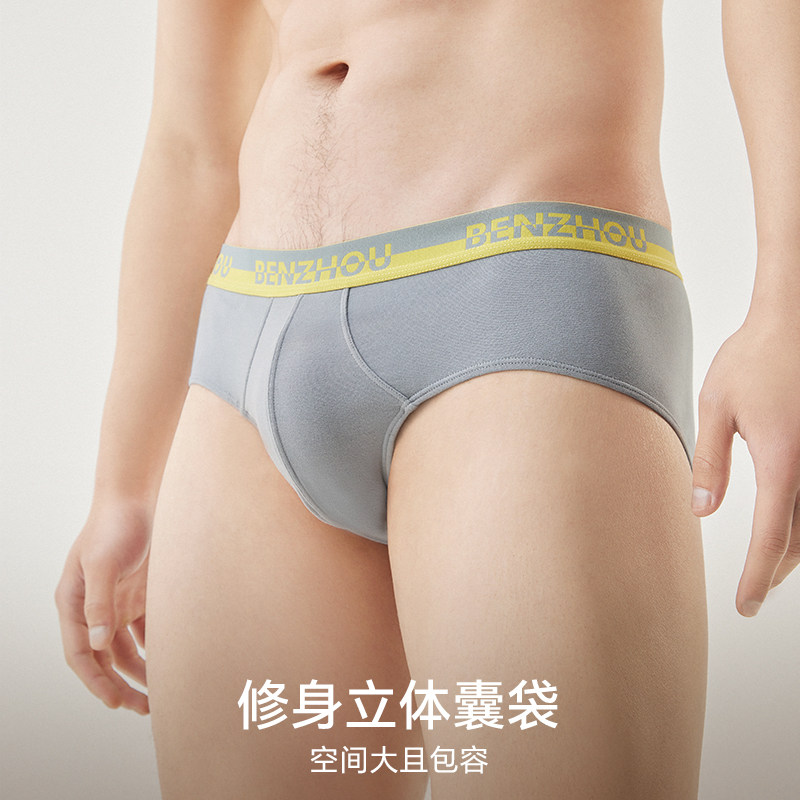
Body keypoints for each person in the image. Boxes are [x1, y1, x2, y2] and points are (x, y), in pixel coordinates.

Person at [54, 0, 800, 797]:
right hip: (246, 331)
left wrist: (788, 311)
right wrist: (125, 482)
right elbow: (192, 142)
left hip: (515, 291)